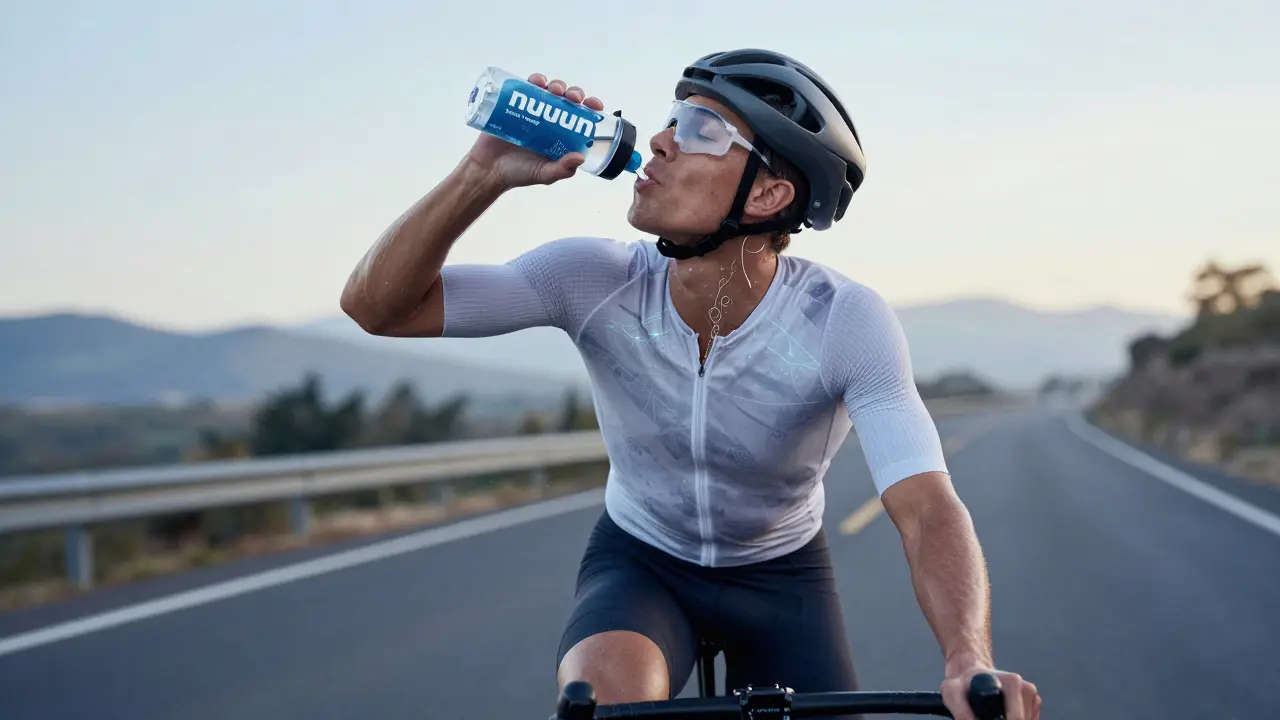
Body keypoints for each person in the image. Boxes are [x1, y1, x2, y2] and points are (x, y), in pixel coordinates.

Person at [340, 49, 1041, 720]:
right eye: (674, 117)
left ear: (768, 192)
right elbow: (378, 308)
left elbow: (924, 505)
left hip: (781, 575)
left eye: (703, 130)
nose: (663, 140)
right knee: (606, 702)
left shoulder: (843, 321)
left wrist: (968, 659)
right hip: (642, 563)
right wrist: (481, 173)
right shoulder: (590, 279)